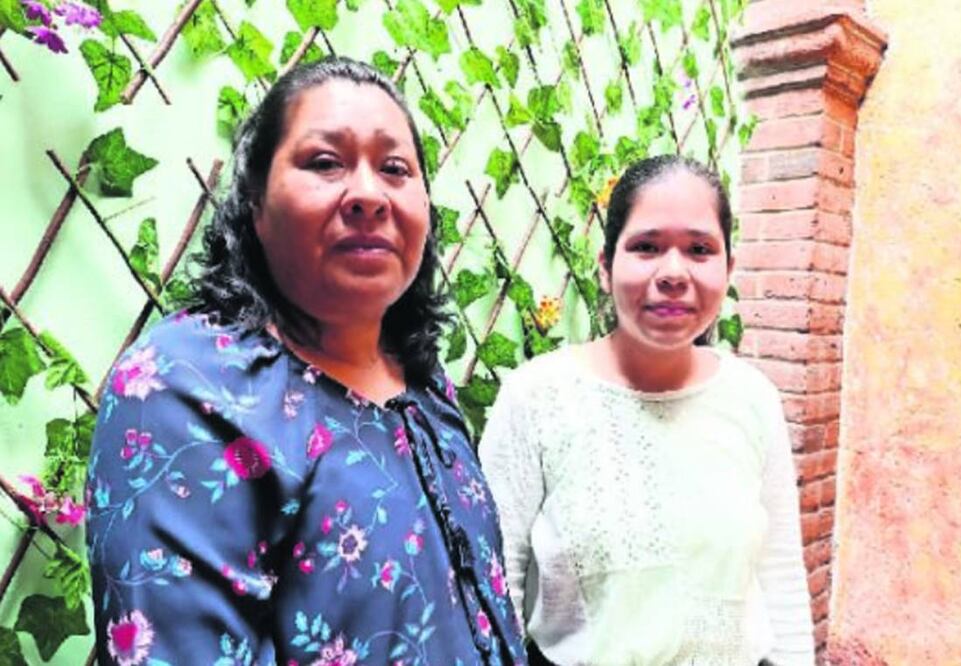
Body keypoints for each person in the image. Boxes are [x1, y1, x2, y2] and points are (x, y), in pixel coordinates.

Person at [86, 57, 525, 666]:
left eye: (396, 169)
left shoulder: (425, 385)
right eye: (325, 162)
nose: (369, 194)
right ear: (255, 206)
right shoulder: (187, 386)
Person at [479, 155, 815, 665]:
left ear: (728, 268)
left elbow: (781, 576)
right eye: (647, 247)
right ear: (606, 263)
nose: (673, 273)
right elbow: (493, 580)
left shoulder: (752, 398)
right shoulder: (538, 399)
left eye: (700, 249)